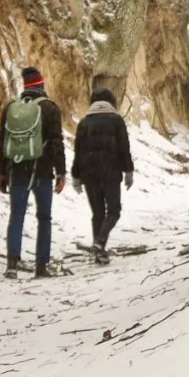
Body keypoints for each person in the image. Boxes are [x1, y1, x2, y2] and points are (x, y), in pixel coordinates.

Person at [0, 66, 66, 279]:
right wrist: (61, 172)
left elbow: (1, 142)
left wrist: (1, 173)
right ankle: (41, 267)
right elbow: (56, 142)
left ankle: (11, 265)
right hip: (43, 171)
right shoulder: (50, 108)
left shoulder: (11, 109)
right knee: (44, 218)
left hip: (17, 169)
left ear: (25, 87)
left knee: (16, 215)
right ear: (41, 85)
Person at [70, 86, 134, 263]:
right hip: (111, 173)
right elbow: (124, 148)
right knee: (114, 210)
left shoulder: (84, 122)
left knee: (97, 213)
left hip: (89, 175)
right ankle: (99, 243)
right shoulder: (116, 120)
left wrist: (76, 176)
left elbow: (78, 151)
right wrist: (128, 170)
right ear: (110, 102)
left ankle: (99, 251)